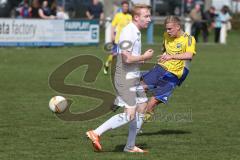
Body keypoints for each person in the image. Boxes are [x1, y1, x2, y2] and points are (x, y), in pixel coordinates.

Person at [86, 4, 153, 153]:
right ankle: (96, 133)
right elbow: (127, 59)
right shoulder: (129, 32)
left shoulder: (136, 31)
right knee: (130, 115)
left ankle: (130, 146)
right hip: (125, 78)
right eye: (146, 16)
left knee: (142, 107)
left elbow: (130, 57)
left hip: (133, 76)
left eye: (149, 16)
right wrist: (144, 56)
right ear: (137, 17)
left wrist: (141, 60)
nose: (150, 19)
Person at [140, 16, 196, 122]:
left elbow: (189, 55)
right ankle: (131, 112)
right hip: (162, 67)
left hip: (174, 74)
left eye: (170, 29)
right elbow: (165, 49)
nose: (167, 31)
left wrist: (171, 56)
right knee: (141, 87)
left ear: (178, 27)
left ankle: (141, 120)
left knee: (152, 103)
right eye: (166, 29)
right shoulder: (166, 35)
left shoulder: (189, 39)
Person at [103, 1, 132, 75]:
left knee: (125, 55)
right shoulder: (118, 15)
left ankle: (122, 71)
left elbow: (131, 28)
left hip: (127, 39)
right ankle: (107, 64)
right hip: (118, 38)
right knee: (114, 54)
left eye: (126, 6)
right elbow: (113, 25)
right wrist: (112, 35)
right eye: (124, 6)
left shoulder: (130, 17)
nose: (125, 8)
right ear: (122, 7)